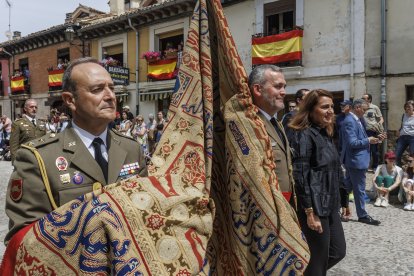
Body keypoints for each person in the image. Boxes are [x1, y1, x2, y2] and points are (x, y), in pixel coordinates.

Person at [5, 57, 147, 243]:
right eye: (97, 89)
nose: (110, 96)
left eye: (111, 88)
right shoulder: (38, 158)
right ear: (70, 100)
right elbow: (25, 239)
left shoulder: (132, 149)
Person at [289, 89, 346, 276]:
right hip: (314, 206)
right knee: (318, 260)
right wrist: (309, 211)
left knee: (338, 252)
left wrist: (344, 200)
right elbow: (300, 174)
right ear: (310, 110)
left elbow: (336, 170)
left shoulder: (325, 133)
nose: (331, 110)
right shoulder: (303, 135)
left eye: (332, 106)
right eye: (324, 107)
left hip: (330, 204)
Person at [248, 64, 295, 206]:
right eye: (278, 86)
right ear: (257, 89)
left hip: (284, 205)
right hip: (266, 208)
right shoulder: (250, 124)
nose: (284, 92)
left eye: (284, 87)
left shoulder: (276, 123)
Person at [341, 98, 383, 225]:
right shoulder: (350, 121)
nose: (365, 112)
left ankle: (333, 208)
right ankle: (362, 215)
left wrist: (374, 139)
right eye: (364, 109)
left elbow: (361, 138)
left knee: (346, 187)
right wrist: (368, 140)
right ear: (357, 107)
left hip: (356, 160)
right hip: (356, 160)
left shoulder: (357, 119)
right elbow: (352, 143)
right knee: (359, 189)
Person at [362, 93, 384, 170]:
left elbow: (381, 119)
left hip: (372, 132)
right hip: (363, 131)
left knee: (374, 150)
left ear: (369, 99)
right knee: (364, 150)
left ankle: (375, 167)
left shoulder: (375, 108)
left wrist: (378, 126)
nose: (362, 100)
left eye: (364, 98)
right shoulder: (361, 108)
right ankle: (365, 166)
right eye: (362, 98)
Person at [395, 100, 414, 166]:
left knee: (412, 156)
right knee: (397, 155)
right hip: (402, 137)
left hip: (412, 138)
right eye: (406, 107)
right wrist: (399, 130)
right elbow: (403, 125)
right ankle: (398, 171)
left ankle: (411, 173)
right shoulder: (404, 115)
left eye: (409, 107)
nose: (407, 108)